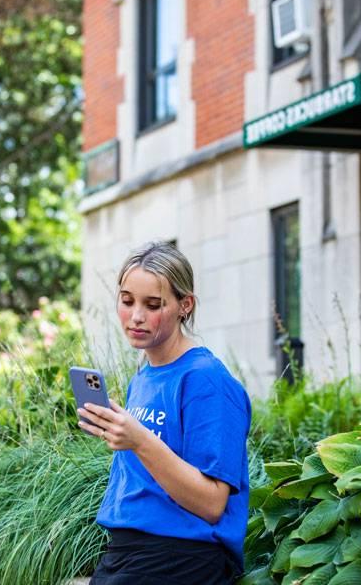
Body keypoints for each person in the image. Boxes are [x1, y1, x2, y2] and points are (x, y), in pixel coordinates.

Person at [78, 241, 252, 584]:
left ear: (184, 305)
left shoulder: (207, 381)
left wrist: (139, 440)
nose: (136, 316)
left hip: (181, 560)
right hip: (126, 554)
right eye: (127, 301)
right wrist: (117, 433)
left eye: (153, 304)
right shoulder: (143, 376)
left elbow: (211, 504)